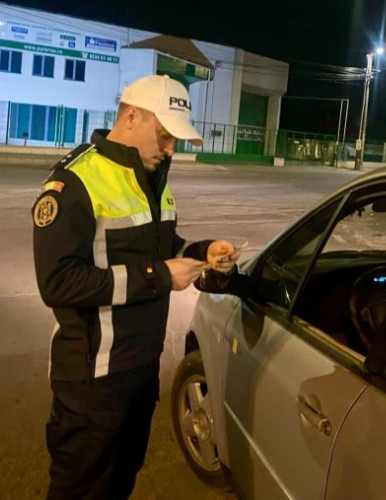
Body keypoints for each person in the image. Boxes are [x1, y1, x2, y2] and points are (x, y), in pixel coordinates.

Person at [32, 74, 238, 499]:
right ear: (130, 116)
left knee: (120, 482)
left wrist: (201, 251)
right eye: (164, 136)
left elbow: (157, 247)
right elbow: (59, 282)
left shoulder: (151, 177)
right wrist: (161, 276)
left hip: (141, 370)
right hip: (92, 380)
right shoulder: (73, 182)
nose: (170, 149)